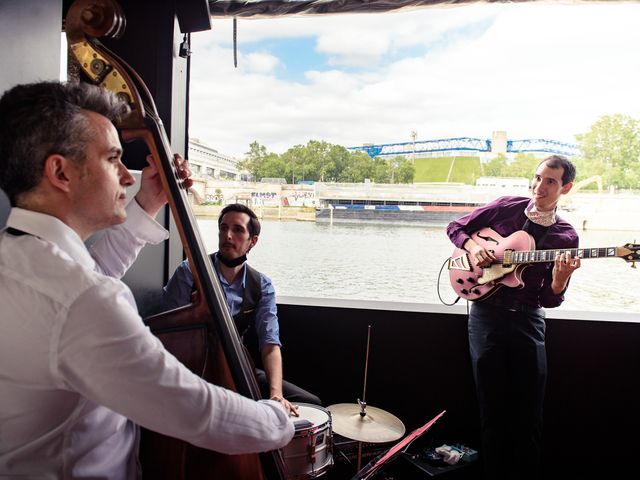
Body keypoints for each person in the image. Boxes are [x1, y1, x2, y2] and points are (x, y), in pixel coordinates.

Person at [0, 81, 294, 478]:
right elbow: (196, 412)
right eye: (112, 159)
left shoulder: (20, 258)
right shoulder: (84, 300)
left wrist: (151, 201)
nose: (127, 176)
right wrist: (277, 418)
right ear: (60, 172)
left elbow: (89, 273)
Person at [446, 155, 581, 480]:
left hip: (528, 322)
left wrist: (560, 281)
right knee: (490, 410)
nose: (539, 186)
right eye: (537, 178)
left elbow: (551, 298)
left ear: (566, 187)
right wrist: (471, 248)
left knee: (528, 414)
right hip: (485, 318)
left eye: (550, 181)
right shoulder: (506, 206)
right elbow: (456, 227)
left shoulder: (566, 237)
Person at [162, 203, 322, 415]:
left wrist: (276, 394)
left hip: (236, 365)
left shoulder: (261, 284)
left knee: (311, 403)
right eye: (223, 228)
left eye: (237, 230)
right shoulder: (189, 272)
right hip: (193, 368)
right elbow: (167, 329)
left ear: (252, 241)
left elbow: (270, 344)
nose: (227, 235)